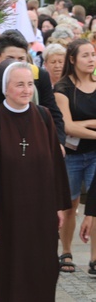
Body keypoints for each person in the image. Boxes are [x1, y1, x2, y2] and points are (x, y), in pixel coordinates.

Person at [0, 62, 70, 301]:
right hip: (7, 215)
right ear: (5, 88)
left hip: (41, 212)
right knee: (10, 271)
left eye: (30, 84)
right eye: (19, 84)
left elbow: (55, 166)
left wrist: (58, 206)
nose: (26, 90)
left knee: (42, 269)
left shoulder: (44, 115)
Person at [53, 39, 96, 274]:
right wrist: (92, 124)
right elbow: (67, 127)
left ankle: (94, 258)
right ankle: (66, 251)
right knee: (69, 205)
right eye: (85, 55)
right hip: (70, 155)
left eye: (93, 55)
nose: (91, 60)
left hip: (94, 154)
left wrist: (84, 125)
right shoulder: (62, 88)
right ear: (73, 59)